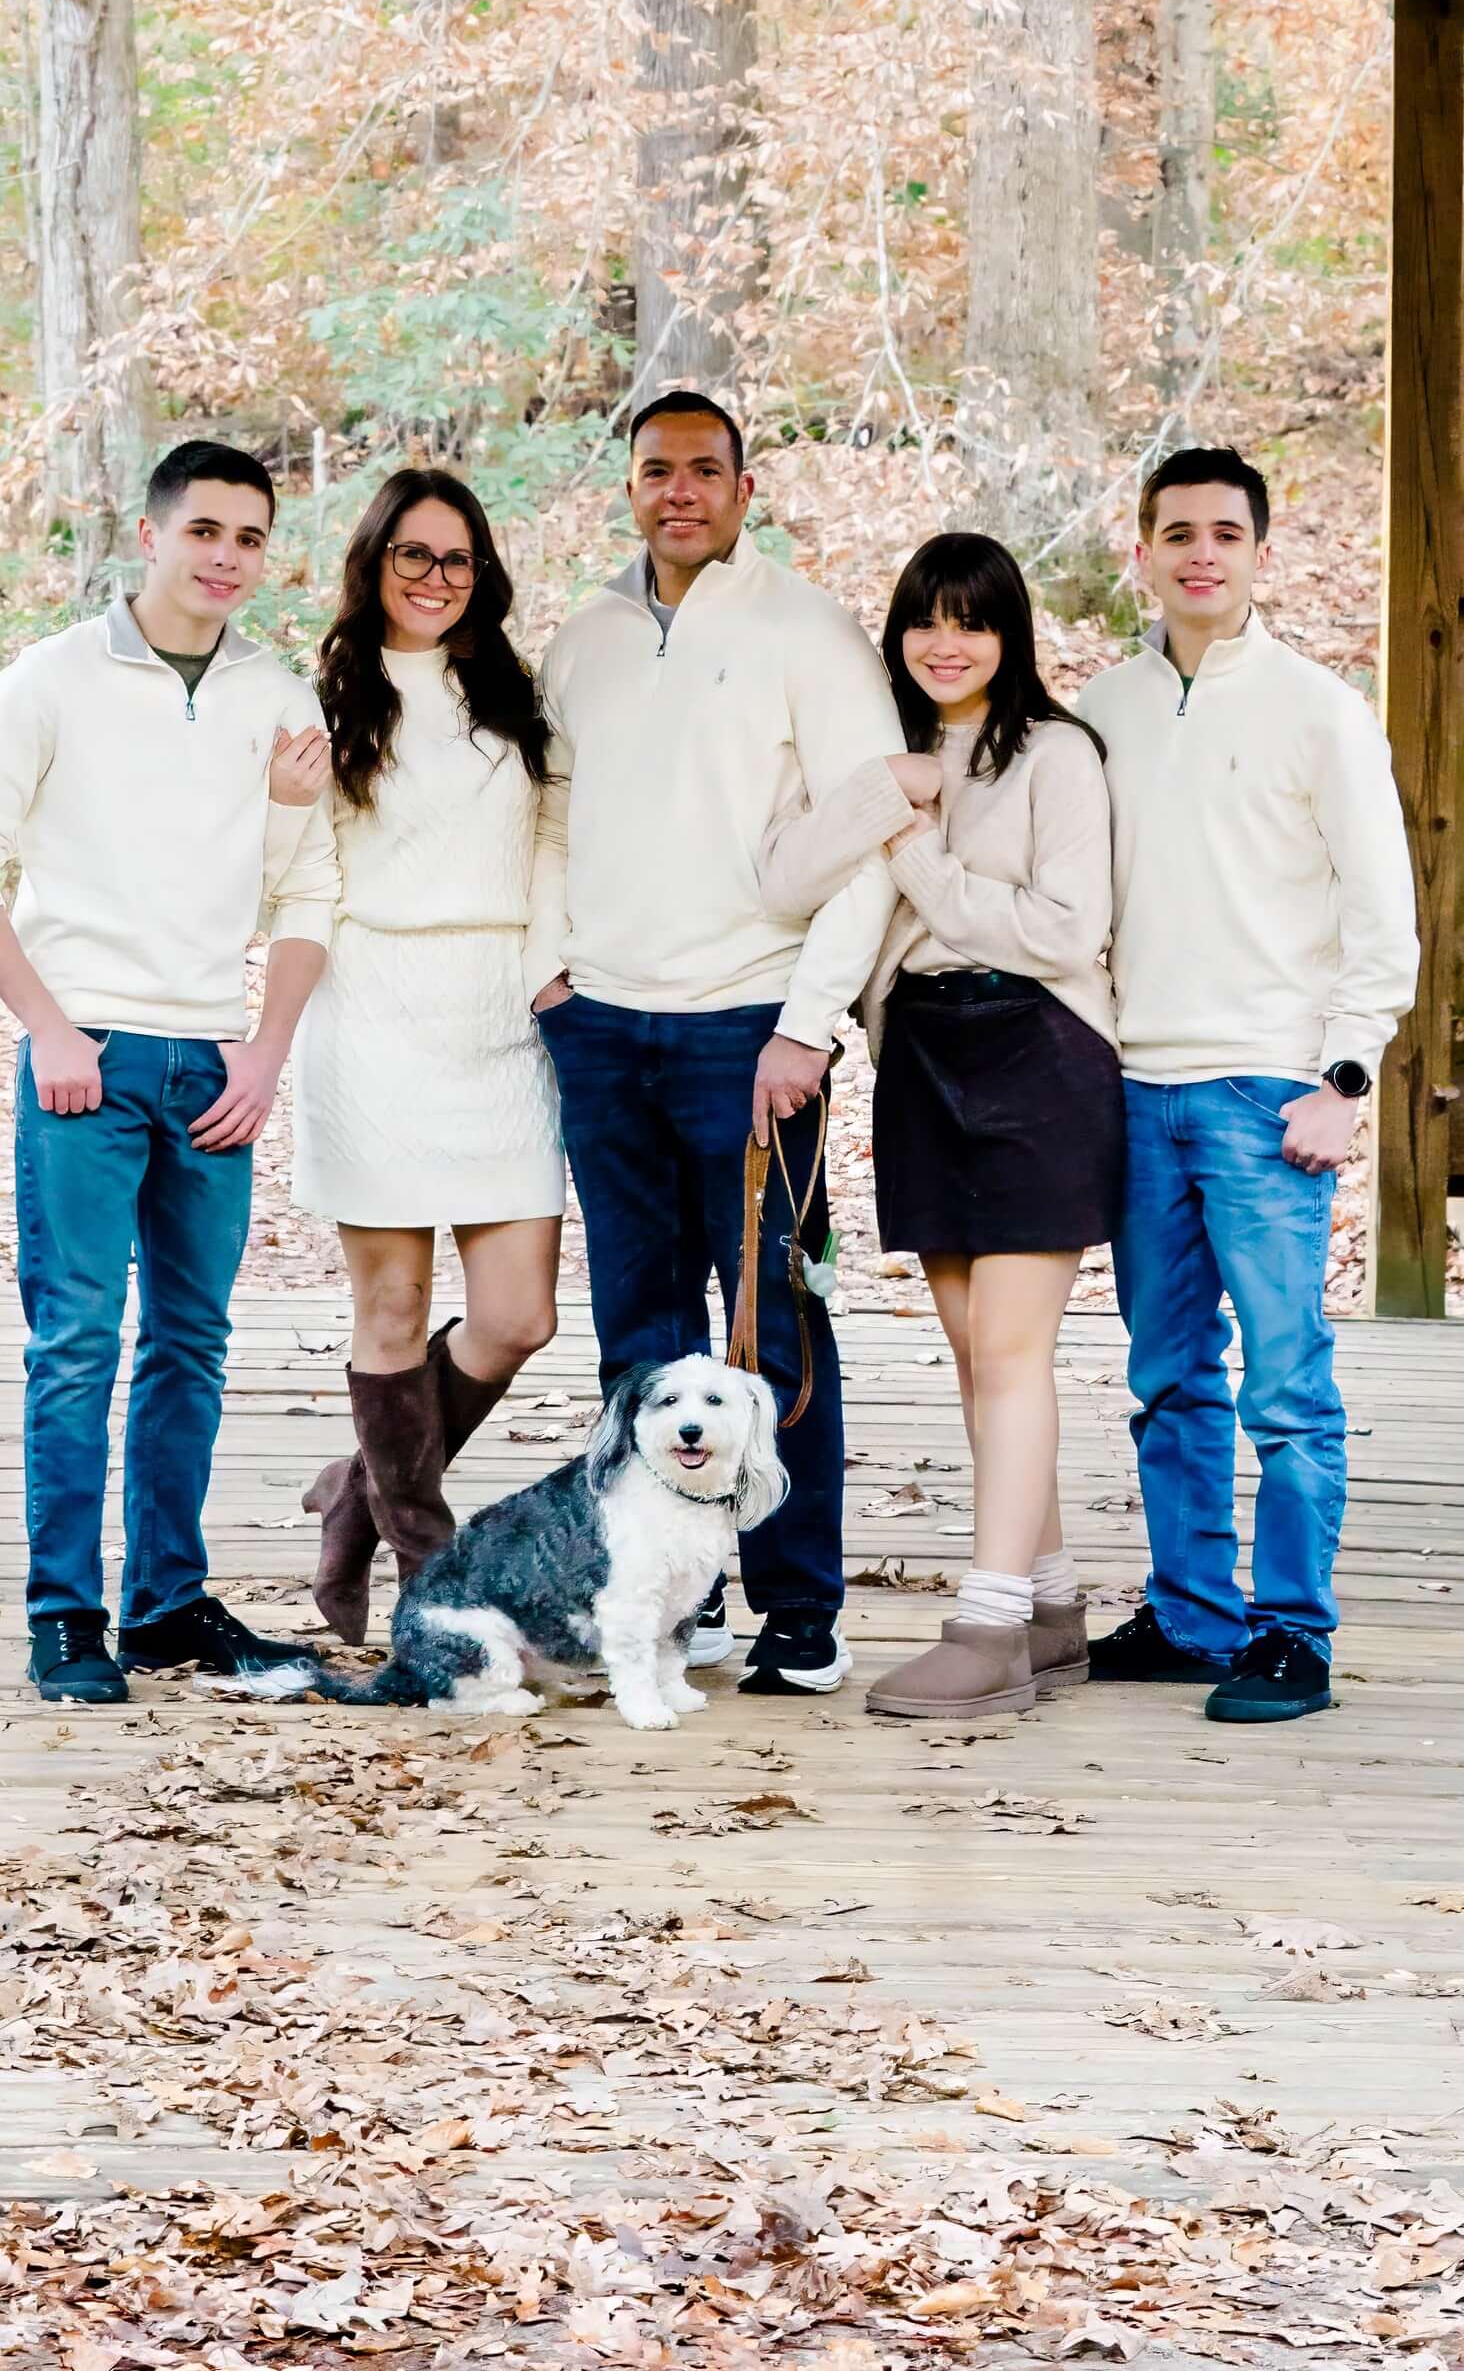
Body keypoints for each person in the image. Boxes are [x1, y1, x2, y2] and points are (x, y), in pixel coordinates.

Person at [0, 434, 330, 1704]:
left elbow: (309, 884)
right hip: (82, 1062)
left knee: (191, 1343)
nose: (226, 557)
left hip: (213, 1062)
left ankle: (165, 1606)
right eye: (204, 530)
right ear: (149, 535)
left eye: (250, 537)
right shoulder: (49, 681)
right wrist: (48, 1026)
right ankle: (66, 1615)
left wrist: (265, 1050)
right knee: (77, 1344)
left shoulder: (278, 696)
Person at [536, 386, 900, 1697]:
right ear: (626, 487)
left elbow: (873, 835)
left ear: (745, 490)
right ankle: (664, 1594)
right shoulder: (583, 642)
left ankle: (797, 1610)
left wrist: (807, 1027)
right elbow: (545, 818)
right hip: (605, 1034)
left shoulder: (809, 634)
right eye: (653, 470)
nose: (676, 490)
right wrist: (549, 978)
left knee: (772, 1336)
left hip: (750, 1037)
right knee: (635, 1336)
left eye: (702, 470)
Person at [1076, 442, 1419, 1724]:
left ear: (1259, 552)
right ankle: (1188, 1613)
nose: (1201, 553)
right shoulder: (1100, 712)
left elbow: (1383, 915)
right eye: (1178, 532)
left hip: (1266, 1094)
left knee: (1284, 1382)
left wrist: (1345, 1076)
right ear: (1145, 550)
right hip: (1134, 1089)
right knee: (1167, 1374)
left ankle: (1292, 1634)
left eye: (1225, 532)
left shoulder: (1319, 711)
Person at [758, 530, 1123, 1727]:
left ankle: (988, 1622)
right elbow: (798, 887)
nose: (945, 642)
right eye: (924, 618)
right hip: (920, 1055)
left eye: (971, 620)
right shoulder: (890, 759)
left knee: (1012, 1352)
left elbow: (1062, 930)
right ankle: (1054, 1606)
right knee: (979, 1357)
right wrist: (881, 802)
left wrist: (913, 846)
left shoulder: (1057, 755)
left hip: (1037, 1053)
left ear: (1010, 635)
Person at [282, 464, 567, 1634]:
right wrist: (268, 799)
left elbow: (555, 844)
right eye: (413, 556)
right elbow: (287, 874)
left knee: (516, 1316)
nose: (435, 578)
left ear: (482, 573)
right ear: (374, 563)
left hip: (498, 1013)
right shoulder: (326, 700)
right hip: (374, 1006)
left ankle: (361, 1489)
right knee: (391, 1308)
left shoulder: (516, 697)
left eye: (456, 559)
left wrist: (549, 963)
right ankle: (427, 1579)